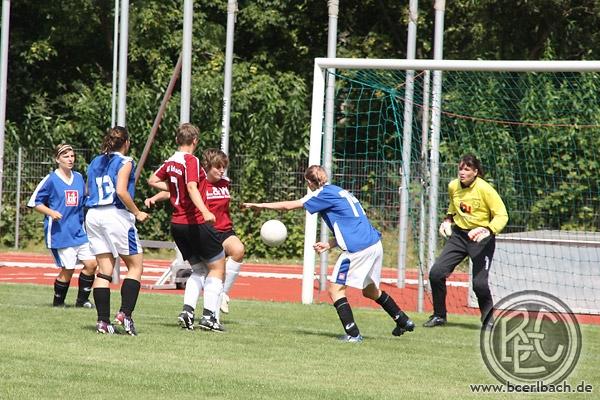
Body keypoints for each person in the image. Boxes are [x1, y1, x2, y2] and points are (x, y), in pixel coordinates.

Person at [243, 165, 415, 342]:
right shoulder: (340, 192)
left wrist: (260, 205)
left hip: (357, 249)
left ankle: (353, 334)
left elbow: (288, 206)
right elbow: (351, 224)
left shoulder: (322, 194)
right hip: (374, 244)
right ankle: (402, 319)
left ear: (310, 182)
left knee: (335, 289)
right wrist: (329, 244)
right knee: (370, 291)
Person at [145, 148, 244, 316]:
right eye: (218, 167)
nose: (221, 170)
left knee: (238, 250)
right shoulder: (200, 181)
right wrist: (154, 198)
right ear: (208, 167)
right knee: (210, 271)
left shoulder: (225, 182)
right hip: (206, 231)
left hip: (225, 229)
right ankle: (207, 310)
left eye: (224, 167)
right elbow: (175, 189)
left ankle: (222, 294)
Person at [147, 124, 227, 332]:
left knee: (199, 269)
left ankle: (187, 311)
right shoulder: (191, 160)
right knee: (217, 267)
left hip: (177, 224)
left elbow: (152, 180)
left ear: (177, 140)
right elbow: (191, 187)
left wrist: (174, 189)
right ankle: (209, 316)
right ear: (195, 141)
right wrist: (205, 211)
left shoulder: (170, 161)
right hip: (195, 221)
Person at [424, 154, 508, 328]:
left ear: (475, 172)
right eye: (460, 169)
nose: (462, 172)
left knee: (479, 284)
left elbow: (502, 215)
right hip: (459, 237)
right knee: (436, 273)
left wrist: (488, 230)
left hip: (481, 239)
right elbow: (454, 206)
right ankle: (439, 316)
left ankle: (488, 320)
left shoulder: (485, 189)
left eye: (467, 169)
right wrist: (448, 219)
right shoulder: (453, 186)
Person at [85, 126, 149, 335]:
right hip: (115, 215)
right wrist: (137, 212)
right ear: (127, 142)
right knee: (135, 266)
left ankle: (103, 321)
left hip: (93, 215)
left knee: (104, 269)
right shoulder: (125, 161)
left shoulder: (95, 161)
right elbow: (121, 191)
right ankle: (125, 314)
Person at [27, 144, 97, 308]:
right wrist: (51, 212)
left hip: (79, 231)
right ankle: (58, 302)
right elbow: (34, 202)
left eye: (72, 156)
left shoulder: (79, 177)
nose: (70, 159)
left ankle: (82, 301)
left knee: (92, 264)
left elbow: (84, 200)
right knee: (68, 269)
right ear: (57, 159)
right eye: (66, 156)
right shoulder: (51, 179)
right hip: (60, 232)